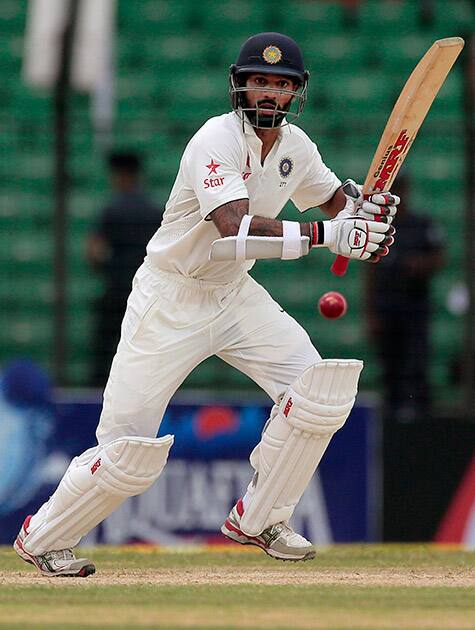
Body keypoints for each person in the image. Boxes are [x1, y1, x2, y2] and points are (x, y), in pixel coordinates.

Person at [14, 33, 400, 577]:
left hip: (234, 294)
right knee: (126, 450)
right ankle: (45, 537)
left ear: (295, 92)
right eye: (259, 81)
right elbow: (234, 226)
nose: (269, 92)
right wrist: (330, 234)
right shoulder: (214, 139)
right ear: (240, 84)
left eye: (281, 84)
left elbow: (338, 204)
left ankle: (262, 517)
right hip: (170, 297)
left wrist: (365, 212)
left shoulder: (297, 147)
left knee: (321, 390)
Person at [366, 173, 444, 423]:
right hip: (387, 304)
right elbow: (369, 271)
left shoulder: (422, 225)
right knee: (390, 362)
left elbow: (440, 256)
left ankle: (419, 417)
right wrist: (371, 313)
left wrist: (419, 265)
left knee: (415, 360)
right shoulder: (381, 227)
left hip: (414, 304)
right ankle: (390, 417)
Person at [86, 152, 163, 386]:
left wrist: (106, 266)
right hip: (147, 292)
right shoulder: (154, 211)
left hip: (116, 289)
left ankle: (98, 397)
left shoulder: (111, 210)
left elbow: (94, 251)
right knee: (145, 351)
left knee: (106, 349)